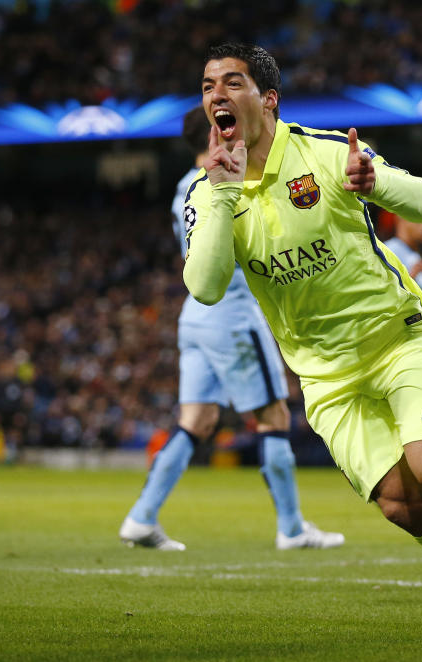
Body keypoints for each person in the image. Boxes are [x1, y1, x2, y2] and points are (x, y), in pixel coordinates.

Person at [182, 42, 422, 638]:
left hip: (394, 338)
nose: (217, 94)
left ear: (267, 100)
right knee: (403, 503)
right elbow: (207, 286)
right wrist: (220, 191)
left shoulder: (322, 154)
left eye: (232, 83)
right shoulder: (206, 192)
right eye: (210, 85)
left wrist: (377, 185)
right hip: (325, 377)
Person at [119, 106, 344, 552]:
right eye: (222, 125)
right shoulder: (221, 181)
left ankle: (141, 518)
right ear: (210, 136)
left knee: (196, 421)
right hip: (233, 314)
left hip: (196, 317)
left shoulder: (184, 187)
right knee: (273, 416)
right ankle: (293, 527)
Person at [384, 214, 422, 293]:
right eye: (419, 220)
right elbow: (384, 293)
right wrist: (411, 277)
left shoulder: (415, 254)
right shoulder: (388, 250)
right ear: (401, 219)